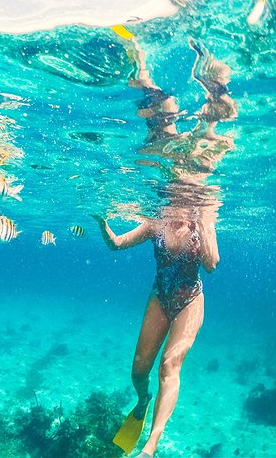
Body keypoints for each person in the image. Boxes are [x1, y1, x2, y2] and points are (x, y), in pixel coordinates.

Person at [93, 27, 235, 457]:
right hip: (161, 295)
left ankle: (152, 444)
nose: (177, 193)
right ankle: (141, 404)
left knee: (170, 365)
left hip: (190, 297)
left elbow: (211, 264)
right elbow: (117, 245)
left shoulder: (198, 210)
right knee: (138, 372)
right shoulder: (157, 220)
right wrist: (102, 222)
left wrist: (203, 218)